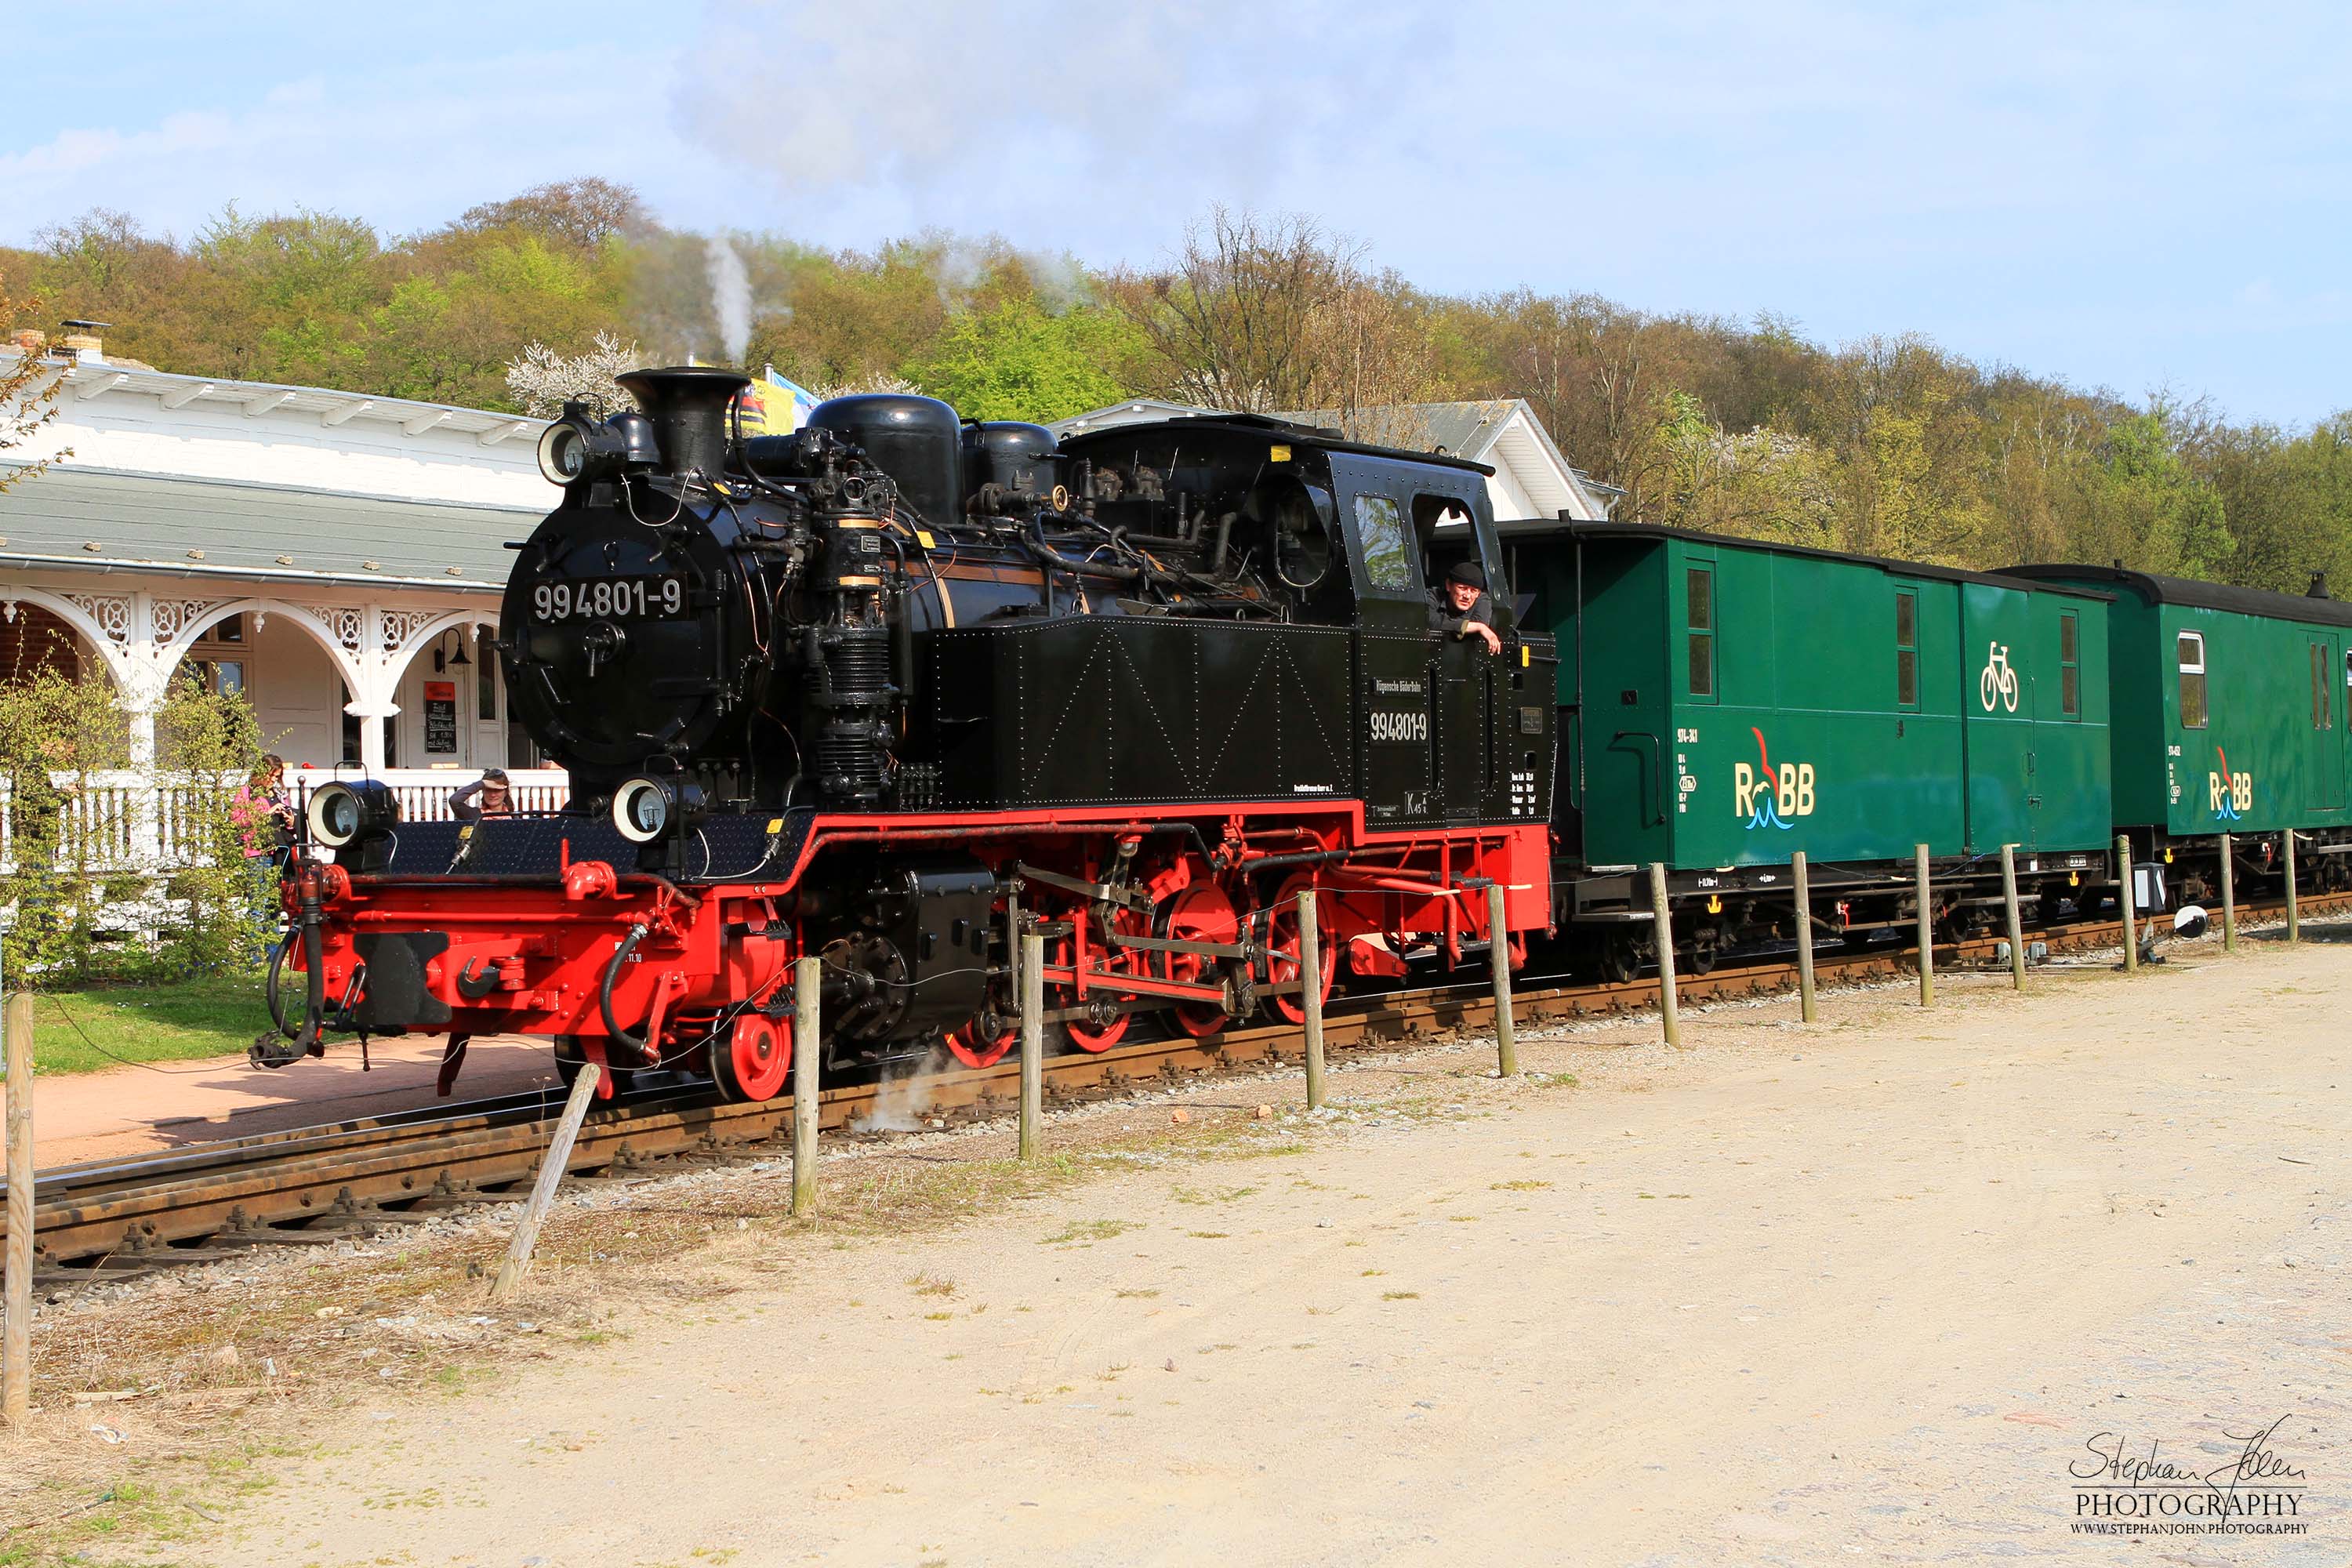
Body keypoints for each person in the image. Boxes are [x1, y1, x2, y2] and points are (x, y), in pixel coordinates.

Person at [1432, 561, 1504, 655]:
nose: (1467, 596)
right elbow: (1427, 619)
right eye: (1462, 588)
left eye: (1473, 591)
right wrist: (1479, 627)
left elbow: (1478, 624)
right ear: (1448, 585)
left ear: (1478, 593)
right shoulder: (1433, 595)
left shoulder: (1482, 600)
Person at [448, 768, 515, 822]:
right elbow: (454, 800)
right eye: (488, 790)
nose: (493, 795)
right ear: (483, 791)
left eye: (497, 790)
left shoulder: (514, 816)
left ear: (505, 792)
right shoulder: (473, 815)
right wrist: (482, 784)